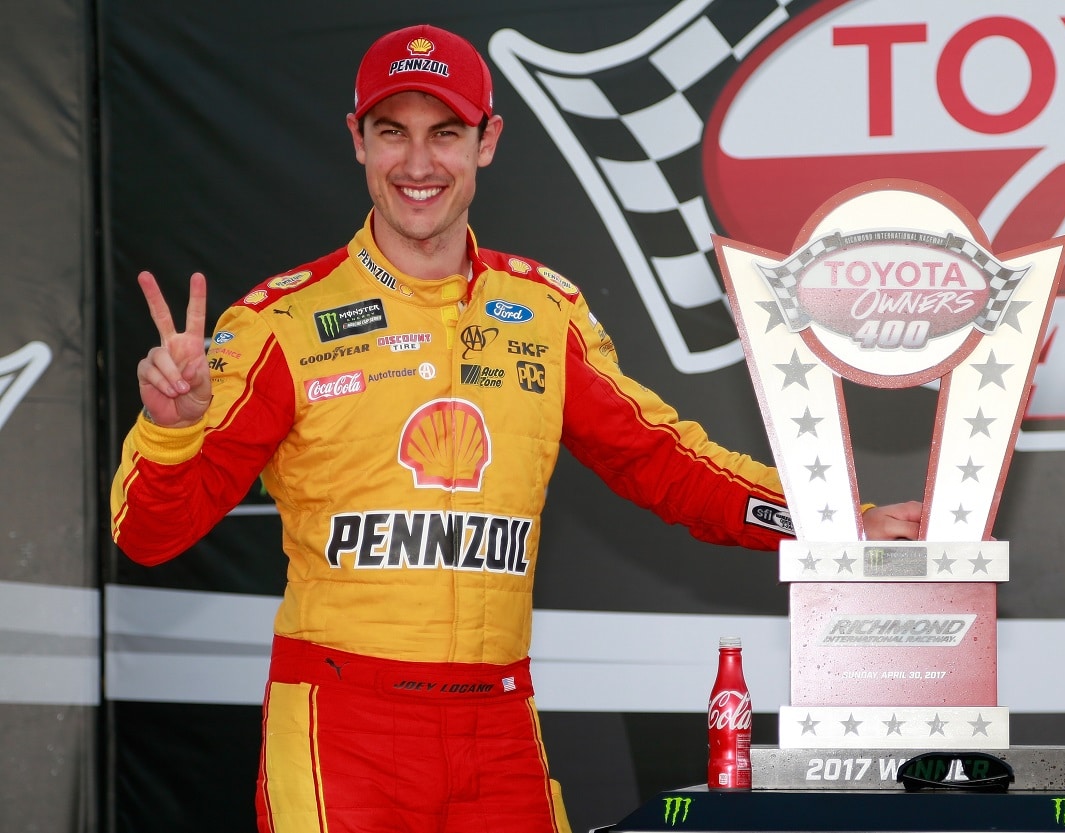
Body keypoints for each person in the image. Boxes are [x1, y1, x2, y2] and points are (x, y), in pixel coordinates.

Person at [110, 23, 922, 833]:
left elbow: (663, 460)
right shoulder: (281, 322)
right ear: (357, 141)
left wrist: (835, 521)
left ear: (487, 141)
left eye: (446, 134)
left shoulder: (542, 310)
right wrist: (170, 428)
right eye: (393, 133)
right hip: (342, 724)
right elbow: (148, 536)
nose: (419, 165)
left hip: (499, 723)